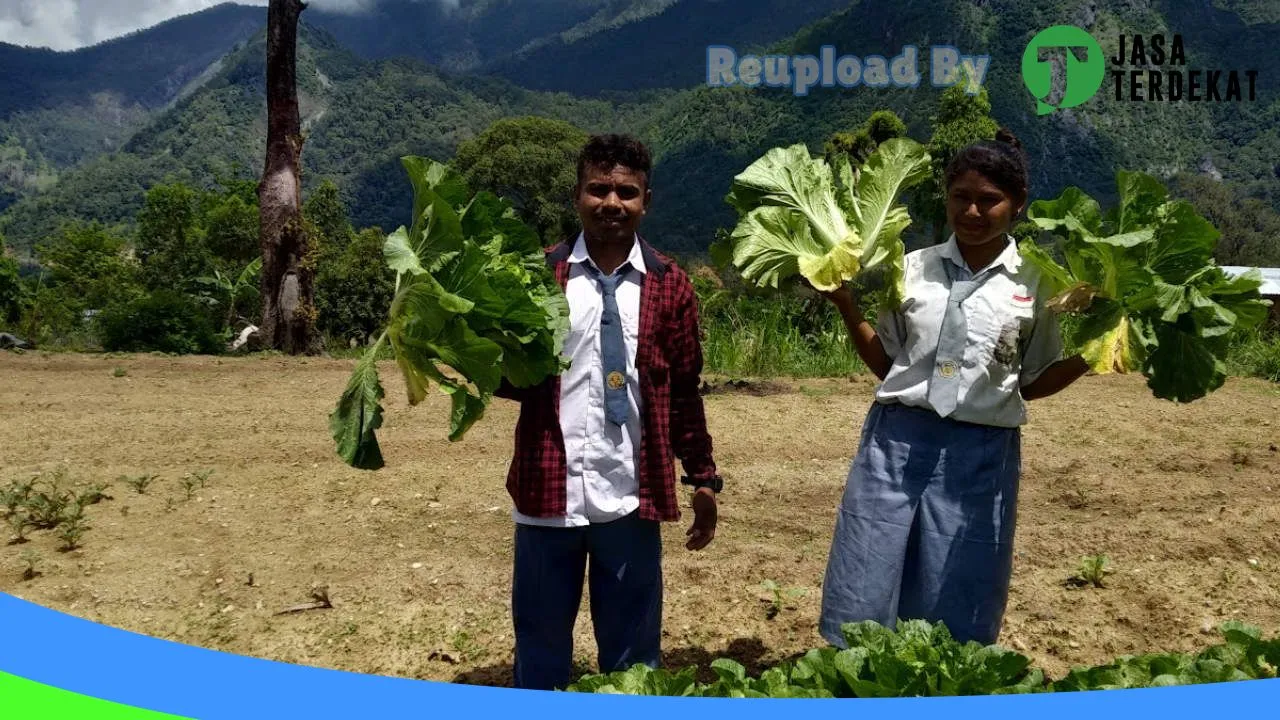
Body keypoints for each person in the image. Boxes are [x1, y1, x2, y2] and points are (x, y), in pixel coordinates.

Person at [816, 129, 1090, 647]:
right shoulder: (911, 269)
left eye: (990, 200)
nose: (973, 212)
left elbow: (1029, 382)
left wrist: (1093, 358)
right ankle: (855, 678)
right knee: (869, 560)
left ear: (1018, 205)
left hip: (981, 450)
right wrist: (846, 306)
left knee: (961, 575)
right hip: (896, 441)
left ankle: (946, 685)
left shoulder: (1037, 282)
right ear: (946, 199)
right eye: (961, 197)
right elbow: (888, 363)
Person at [495, 134, 722, 691]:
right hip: (550, 488)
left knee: (631, 653)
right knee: (541, 642)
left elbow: (685, 391)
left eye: (627, 191)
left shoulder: (670, 286)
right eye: (599, 189)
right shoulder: (537, 278)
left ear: (647, 199)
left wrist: (703, 475)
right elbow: (505, 379)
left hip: (630, 492)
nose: (612, 203)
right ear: (577, 196)